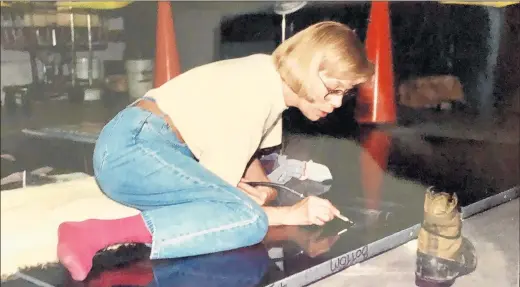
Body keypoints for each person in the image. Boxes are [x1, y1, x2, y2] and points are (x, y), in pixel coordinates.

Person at [57, 21, 375, 281]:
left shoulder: (267, 80)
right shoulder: (255, 94)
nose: (335, 103)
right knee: (249, 221)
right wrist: (291, 213)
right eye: (332, 90)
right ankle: (92, 234)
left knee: (246, 205)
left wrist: (262, 190)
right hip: (132, 151)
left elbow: (252, 159)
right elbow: (226, 204)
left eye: (343, 94)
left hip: (142, 146)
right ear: (307, 66)